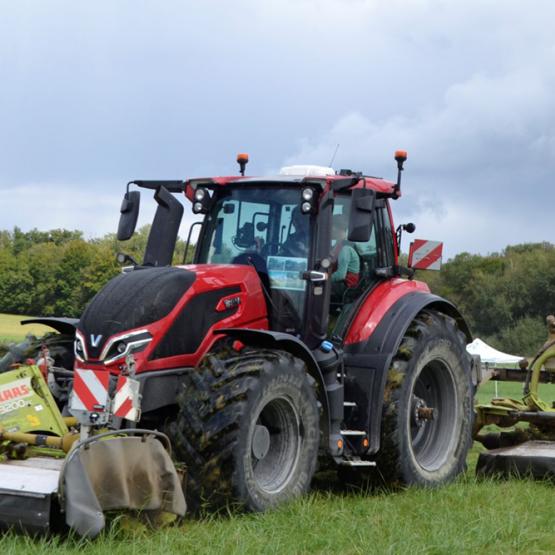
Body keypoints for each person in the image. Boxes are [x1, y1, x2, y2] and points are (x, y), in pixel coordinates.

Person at [331, 217, 360, 301]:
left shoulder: (346, 248)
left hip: (345, 288)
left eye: (331, 226)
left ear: (337, 228)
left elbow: (341, 275)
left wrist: (325, 278)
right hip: (339, 285)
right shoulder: (337, 246)